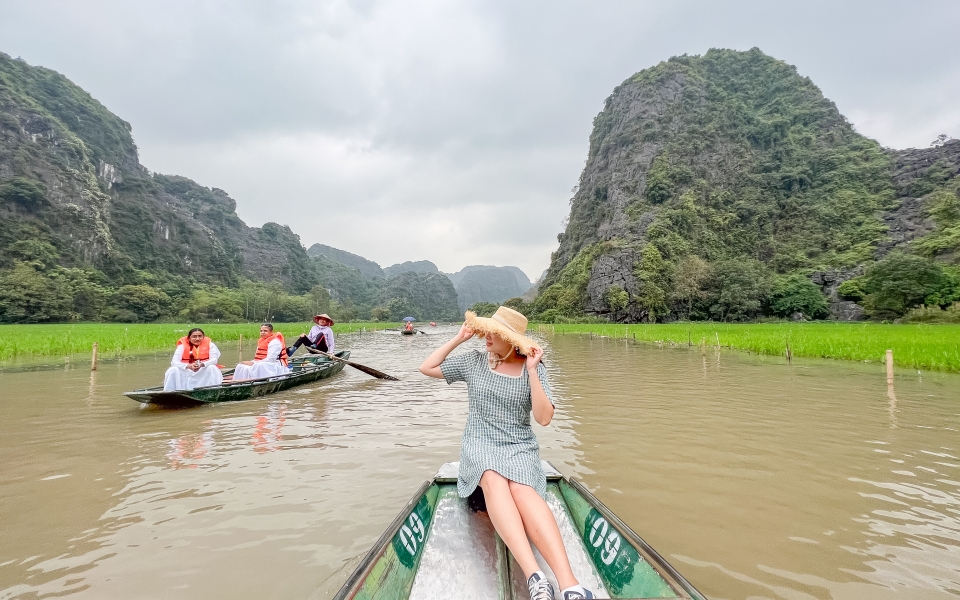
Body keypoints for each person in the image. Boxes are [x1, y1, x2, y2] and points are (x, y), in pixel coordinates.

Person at [419, 306, 595, 600]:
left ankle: (571, 585)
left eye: (494, 332)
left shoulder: (533, 367)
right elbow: (428, 367)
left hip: (519, 445)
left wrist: (533, 371)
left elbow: (543, 418)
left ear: (512, 339)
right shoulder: (474, 362)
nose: (486, 336)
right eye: (486, 329)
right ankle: (535, 577)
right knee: (492, 476)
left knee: (524, 490)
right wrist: (458, 338)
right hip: (480, 442)